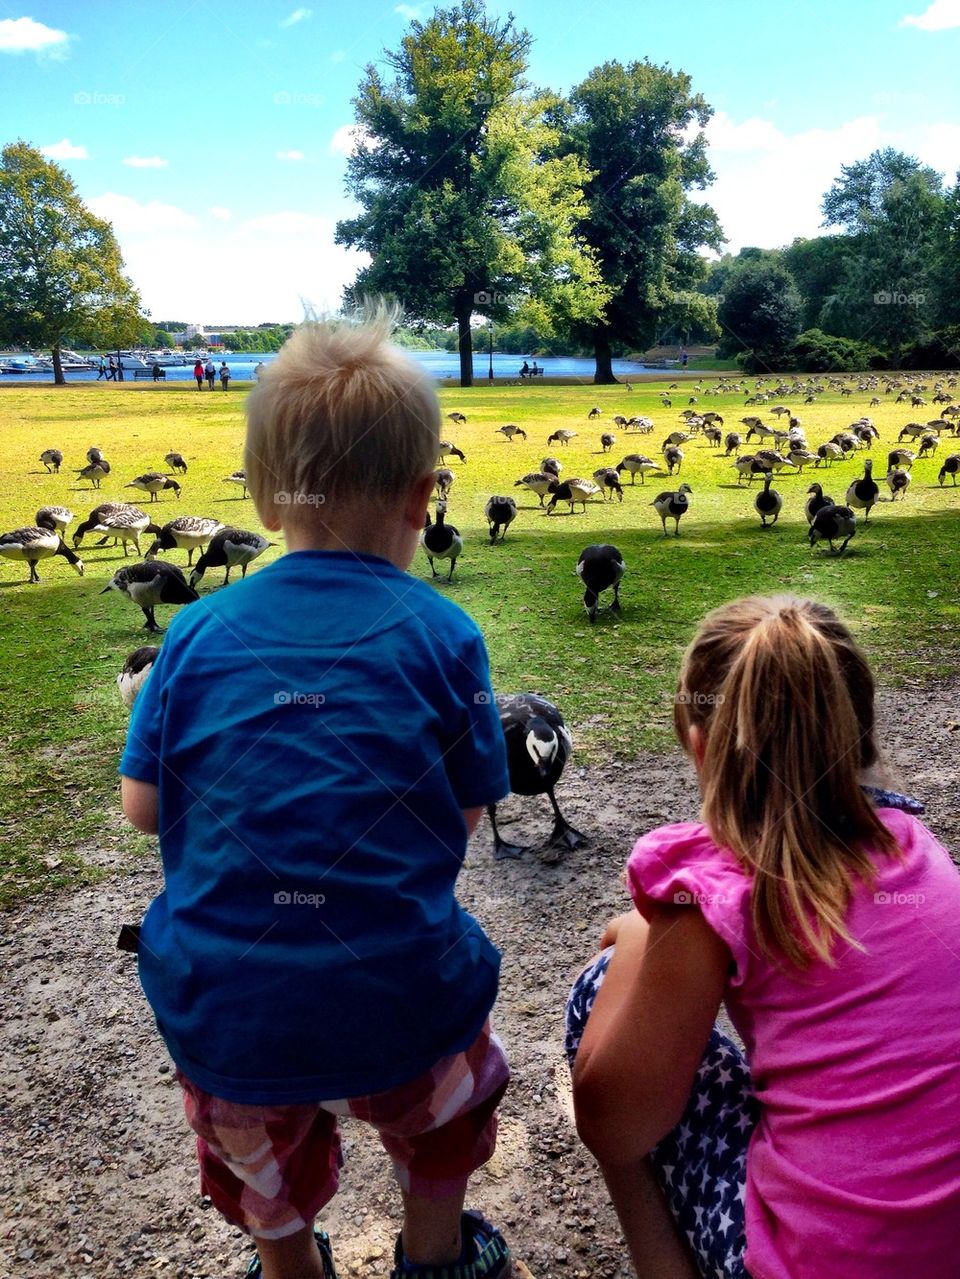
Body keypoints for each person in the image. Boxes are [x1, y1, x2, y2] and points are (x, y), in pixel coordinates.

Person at [119, 306, 513, 1279]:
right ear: (424, 497)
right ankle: (437, 1253)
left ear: (260, 496)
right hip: (401, 999)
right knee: (450, 1103)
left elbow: (143, 808)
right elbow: (461, 818)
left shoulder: (197, 634)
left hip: (230, 1013)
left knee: (251, 1144)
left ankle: (290, 1264)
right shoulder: (444, 636)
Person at [567, 594, 960, 1279]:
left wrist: (643, 933)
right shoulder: (915, 846)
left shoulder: (721, 884)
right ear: (860, 730)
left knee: (601, 994)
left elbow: (612, 1121)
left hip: (818, 1264)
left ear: (698, 744)